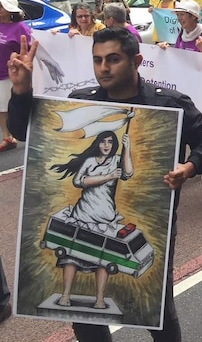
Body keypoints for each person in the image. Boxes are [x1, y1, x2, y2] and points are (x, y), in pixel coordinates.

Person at [7, 26, 202, 342]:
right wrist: (21, 90)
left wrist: (189, 167)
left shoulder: (170, 104)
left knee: (154, 310)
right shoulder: (80, 103)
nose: (103, 68)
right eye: (97, 61)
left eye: (113, 59)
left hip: (153, 225)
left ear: (136, 61)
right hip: (87, 215)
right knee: (84, 316)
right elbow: (25, 132)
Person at [49, 129, 133, 308]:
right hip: (83, 214)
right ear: (98, 143)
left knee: (103, 259)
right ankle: (65, 296)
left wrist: (128, 148)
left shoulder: (117, 161)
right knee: (72, 256)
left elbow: (129, 173)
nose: (106, 145)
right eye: (103, 141)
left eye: (110, 142)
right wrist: (108, 176)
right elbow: (79, 181)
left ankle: (100, 299)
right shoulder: (89, 161)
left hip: (105, 218)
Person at [0, 0, 30, 151]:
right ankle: (7, 136)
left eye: (1, 7)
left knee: (9, 105)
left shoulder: (21, 28)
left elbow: (28, 49)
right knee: (0, 107)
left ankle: (15, 133)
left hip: (9, 73)